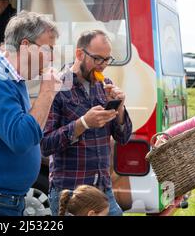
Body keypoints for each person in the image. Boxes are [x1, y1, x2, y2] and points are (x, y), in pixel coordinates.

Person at [0, 11, 61, 216]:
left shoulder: (10, 77)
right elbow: (21, 139)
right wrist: (48, 91)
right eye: (48, 49)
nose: (52, 57)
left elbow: (28, 130)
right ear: (25, 45)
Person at [41, 29, 132, 216]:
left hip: (103, 190)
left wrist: (120, 108)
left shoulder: (104, 85)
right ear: (79, 54)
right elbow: (45, 144)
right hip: (71, 193)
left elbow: (123, 138)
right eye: (98, 59)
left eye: (107, 60)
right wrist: (83, 123)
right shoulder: (57, 87)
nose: (102, 66)